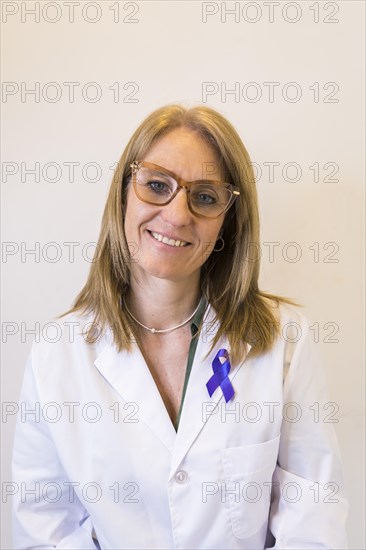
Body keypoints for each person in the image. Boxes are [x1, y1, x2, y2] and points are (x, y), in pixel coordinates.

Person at [12, 104, 349, 549]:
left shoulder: (284, 341)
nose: (176, 214)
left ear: (225, 223)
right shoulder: (58, 353)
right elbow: (45, 529)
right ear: (123, 196)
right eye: (156, 185)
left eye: (205, 197)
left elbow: (313, 521)